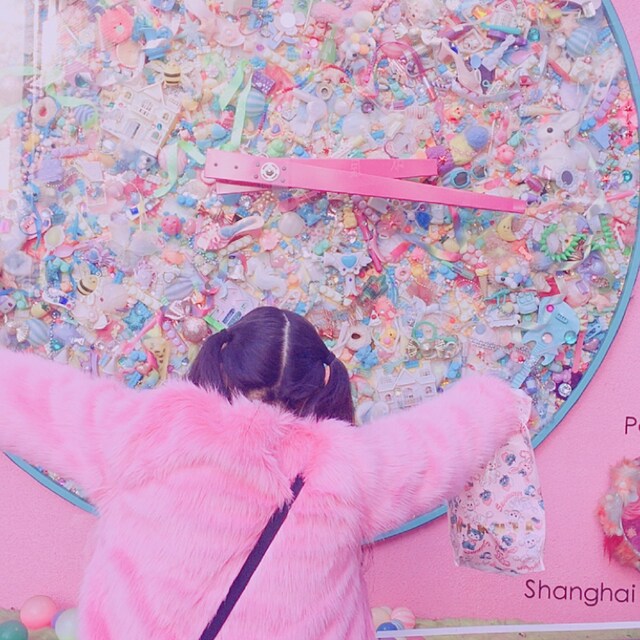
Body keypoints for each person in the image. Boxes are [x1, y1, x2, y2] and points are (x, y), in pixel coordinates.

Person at [0, 306, 527, 639]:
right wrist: (497, 399)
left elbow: (25, 395)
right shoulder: (354, 471)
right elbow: (444, 439)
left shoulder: (139, 431)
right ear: (325, 381)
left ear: (220, 361)